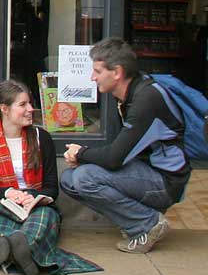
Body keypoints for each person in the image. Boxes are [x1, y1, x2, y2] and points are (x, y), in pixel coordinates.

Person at [60, 37, 189, 253]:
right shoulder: (129, 93)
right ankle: (134, 221)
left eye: (98, 71)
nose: (92, 78)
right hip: (145, 172)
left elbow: (114, 158)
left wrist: (81, 153)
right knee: (68, 180)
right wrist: (83, 156)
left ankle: (147, 225)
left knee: (85, 177)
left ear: (117, 72)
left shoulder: (147, 99)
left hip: (165, 182)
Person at [0, 80, 60, 275]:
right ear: (4, 109)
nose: (30, 109)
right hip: (2, 204)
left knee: (46, 216)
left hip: (34, 205)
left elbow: (52, 188)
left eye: (30, 103)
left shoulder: (41, 137)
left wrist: (33, 197)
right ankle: (20, 254)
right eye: (22, 105)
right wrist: (8, 193)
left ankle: (19, 250)